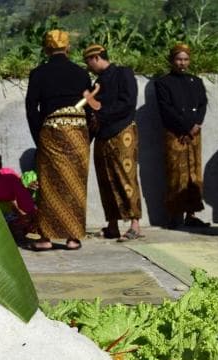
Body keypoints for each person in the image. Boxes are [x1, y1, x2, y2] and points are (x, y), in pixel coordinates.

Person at [25, 29, 94, 251]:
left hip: (51, 130)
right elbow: (90, 107)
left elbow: (31, 108)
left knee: (49, 185)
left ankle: (46, 238)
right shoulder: (81, 73)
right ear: (68, 48)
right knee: (75, 184)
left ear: (46, 49)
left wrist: (40, 136)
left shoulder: (38, 73)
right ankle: (73, 238)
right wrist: (86, 136)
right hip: (78, 131)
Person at [83, 43, 144, 241]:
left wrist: (100, 113)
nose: (88, 67)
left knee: (126, 177)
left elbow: (127, 103)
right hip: (102, 136)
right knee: (106, 180)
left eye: (88, 62)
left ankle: (135, 224)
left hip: (122, 132)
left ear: (95, 58)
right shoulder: (97, 84)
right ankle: (112, 225)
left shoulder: (123, 73)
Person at [154, 43, 209, 229]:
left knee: (194, 174)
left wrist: (195, 126)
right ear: (172, 61)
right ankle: (174, 215)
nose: (182, 63)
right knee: (176, 173)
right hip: (175, 134)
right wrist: (185, 128)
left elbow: (202, 104)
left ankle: (191, 214)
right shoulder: (163, 83)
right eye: (179, 59)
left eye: (185, 60)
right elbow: (166, 109)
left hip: (194, 135)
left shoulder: (196, 82)